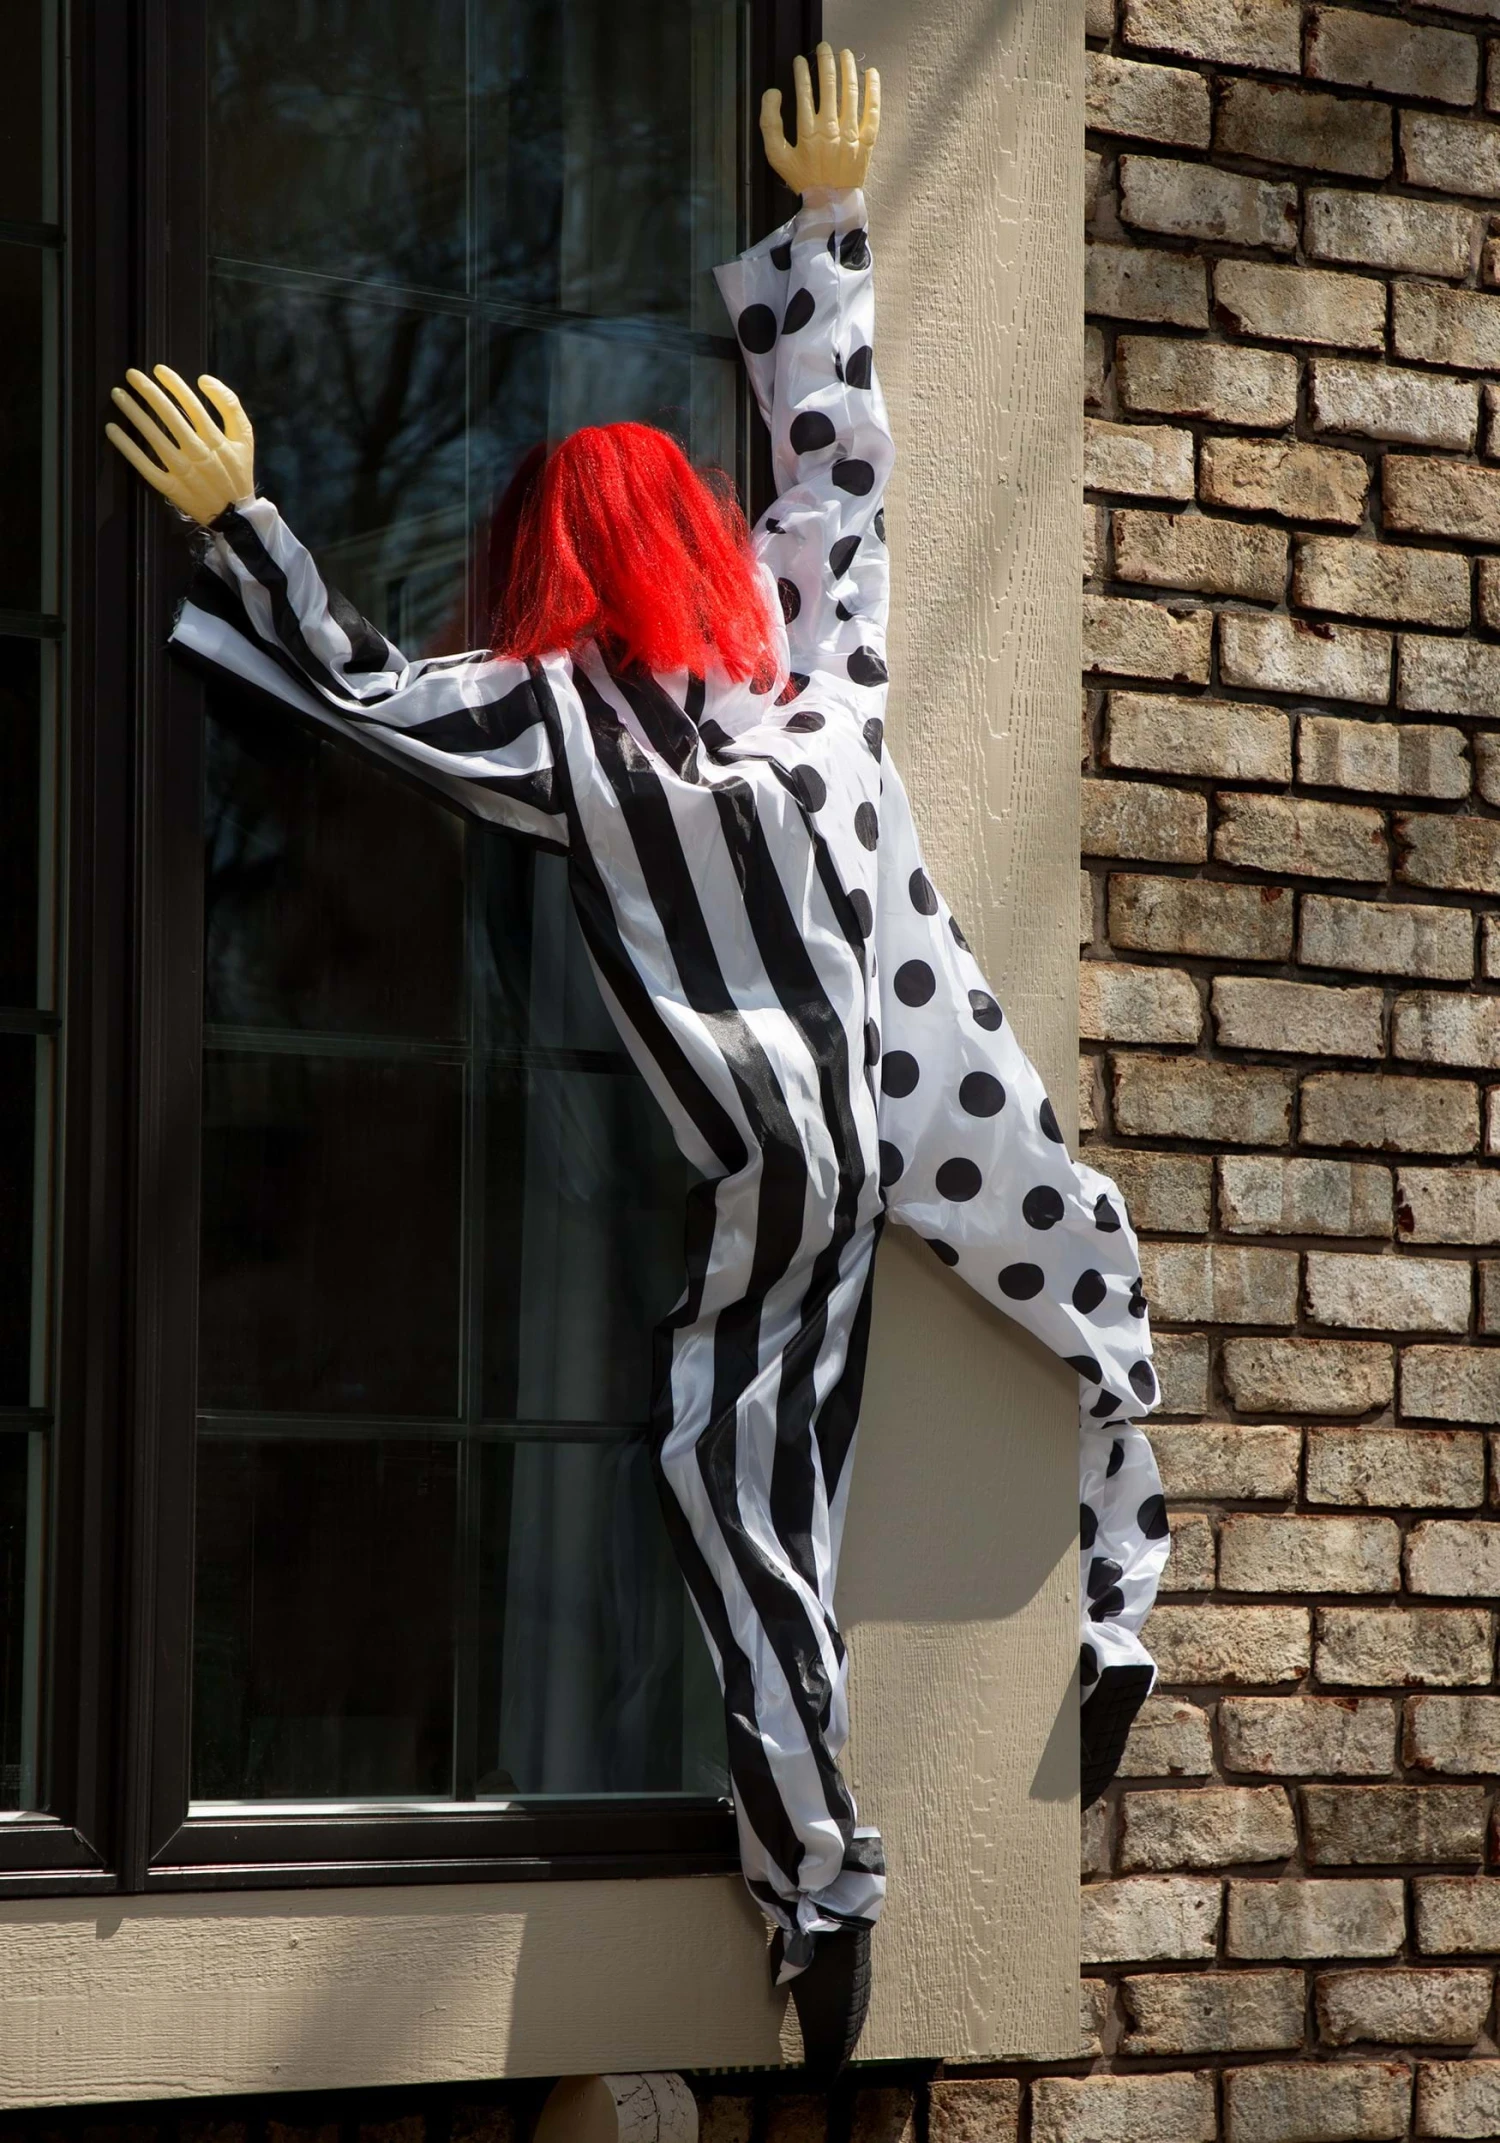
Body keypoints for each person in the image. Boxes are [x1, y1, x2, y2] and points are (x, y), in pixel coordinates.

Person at [107, 42, 1168, 2074]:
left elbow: (366, 692)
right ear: (693, 540)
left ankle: (827, 1881)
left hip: (785, 1146)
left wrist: (245, 524)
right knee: (1099, 1279)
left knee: (740, 1492)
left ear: (549, 572)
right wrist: (826, 229)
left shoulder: (563, 720)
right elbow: (837, 479)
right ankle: (1120, 1604)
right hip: (920, 1066)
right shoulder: (817, 668)